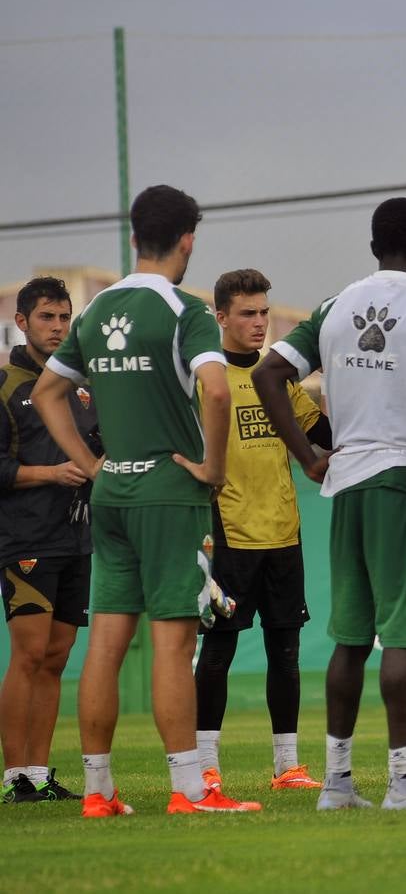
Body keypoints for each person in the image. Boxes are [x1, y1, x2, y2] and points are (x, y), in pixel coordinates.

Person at [33, 184, 260, 816]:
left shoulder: (97, 308)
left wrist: (90, 466)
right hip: (169, 492)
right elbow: (216, 392)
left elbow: (49, 393)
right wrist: (212, 468)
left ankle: (99, 792)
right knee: (172, 644)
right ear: (188, 239)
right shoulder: (185, 312)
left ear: (135, 237)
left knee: (103, 643)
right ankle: (190, 790)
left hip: (113, 495)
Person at [253, 196, 406, 811]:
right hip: (405, 475)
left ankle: (337, 783)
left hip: (345, 478)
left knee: (349, 636)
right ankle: (402, 784)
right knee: (400, 634)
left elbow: (271, 374)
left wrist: (307, 455)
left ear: (374, 247)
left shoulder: (334, 306)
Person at [193, 269, 332, 793]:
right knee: (219, 654)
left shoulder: (282, 380)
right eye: (247, 313)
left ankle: (287, 767)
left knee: (286, 653)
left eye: (263, 312)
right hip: (228, 537)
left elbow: (323, 433)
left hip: (284, 534)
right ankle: (206, 767)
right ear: (221, 317)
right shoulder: (207, 381)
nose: (258, 322)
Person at [0, 277, 96, 803]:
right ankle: (14, 776)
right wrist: (50, 474)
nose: (58, 328)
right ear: (22, 322)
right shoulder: (5, 385)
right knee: (30, 655)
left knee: (58, 657)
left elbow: (99, 450)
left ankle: (37, 774)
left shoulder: (80, 387)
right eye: (47, 318)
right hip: (25, 538)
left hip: (77, 538)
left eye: (64, 318)